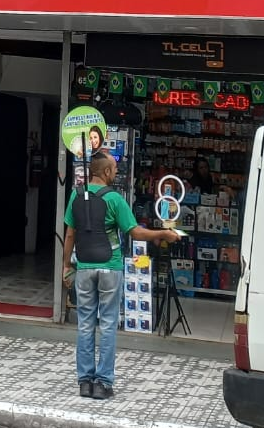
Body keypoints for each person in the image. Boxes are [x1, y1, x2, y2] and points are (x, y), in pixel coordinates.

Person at [62, 151, 180, 402]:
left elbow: (70, 234)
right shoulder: (115, 199)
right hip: (110, 266)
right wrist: (162, 234)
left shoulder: (75, 195)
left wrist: (65, 266)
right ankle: (103, 383)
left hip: (83, 267)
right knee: (107, 325)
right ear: (105, 172)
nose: (116, 172)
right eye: (114, 168)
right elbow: (135, 232)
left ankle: (84, 381)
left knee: (85, 324)